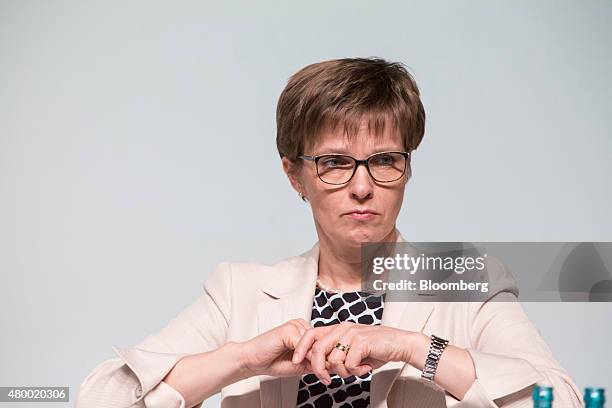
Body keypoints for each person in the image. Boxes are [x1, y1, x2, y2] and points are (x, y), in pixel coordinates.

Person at [75, 57, 582, 408]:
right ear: (295, 175)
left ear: (407, 168)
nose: (362, 187)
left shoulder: (468, 282)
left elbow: (561, 400)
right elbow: (102, 398)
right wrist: (241, 360)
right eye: (335, 163)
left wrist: (413, 348)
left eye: (384, 160)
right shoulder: (239, 292)